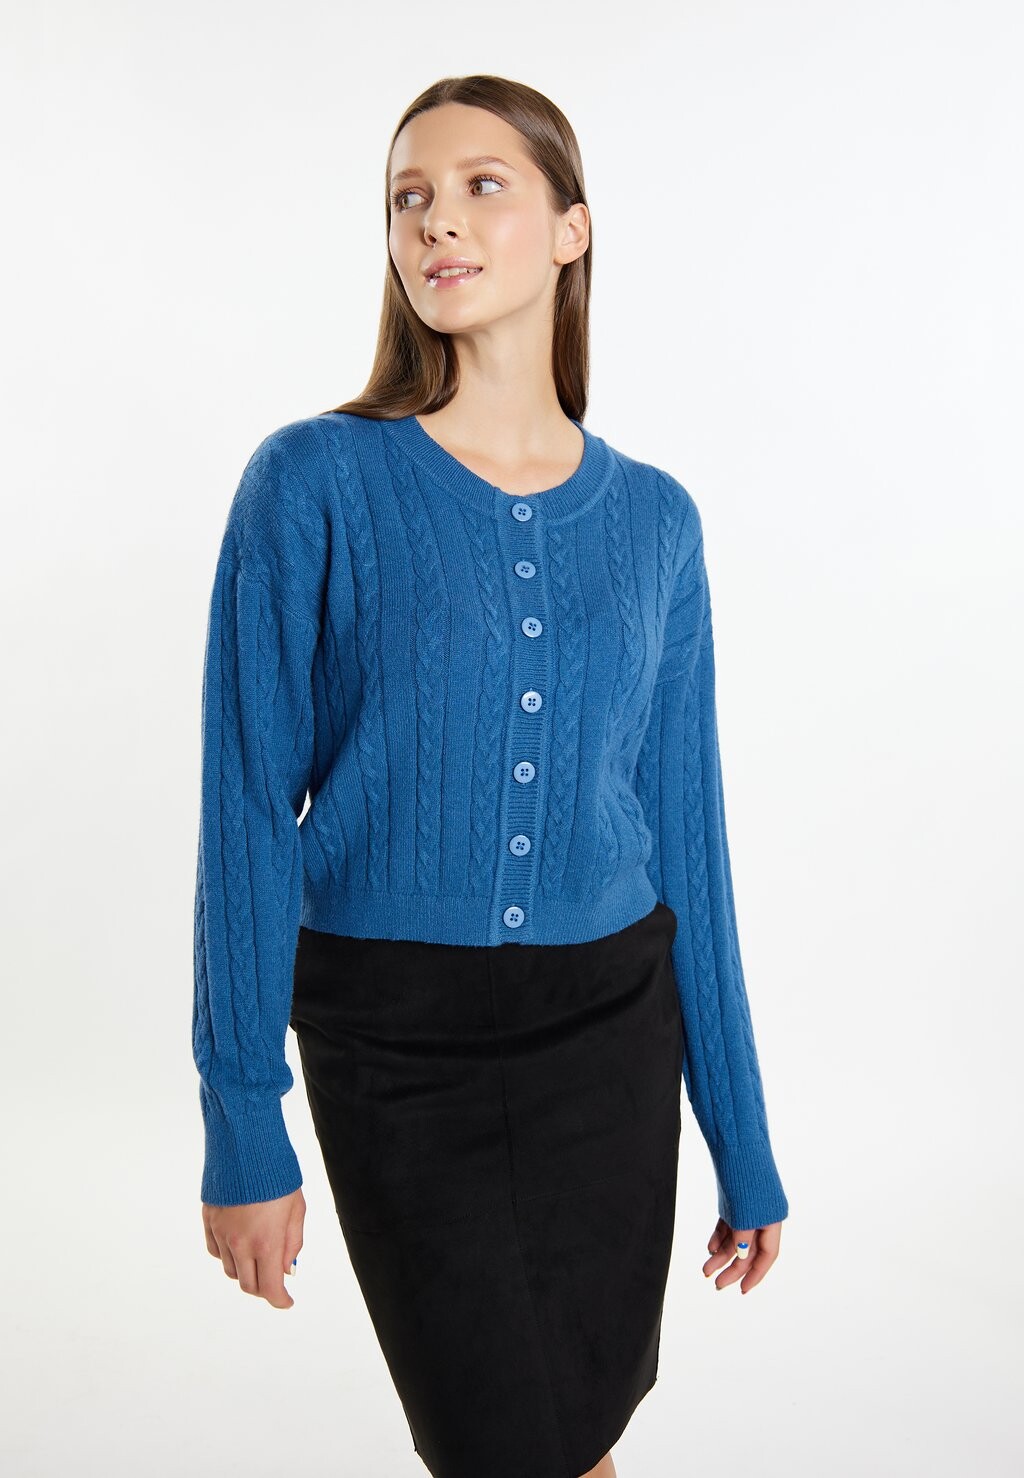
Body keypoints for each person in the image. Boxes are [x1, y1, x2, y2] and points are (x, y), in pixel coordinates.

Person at [192, 73, 790, 1478]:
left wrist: (742, 1133)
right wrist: (242, 1118)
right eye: (409, 197)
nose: (436, 223)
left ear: (573, 231)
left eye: (481, 187)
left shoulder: (656, 520)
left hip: (611, 1035)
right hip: (393, 1043)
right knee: (502, 1438)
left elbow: (688, 842)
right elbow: (246, 812)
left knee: (578, 1436)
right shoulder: (312, 482)